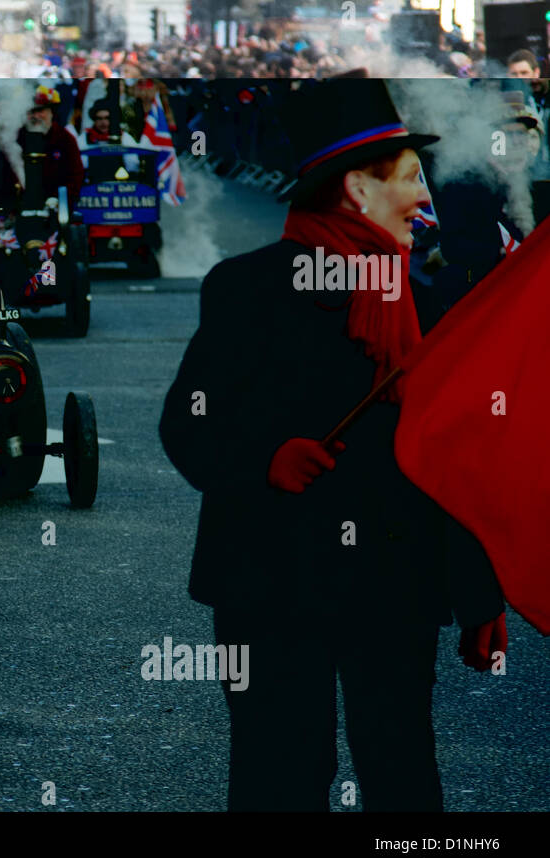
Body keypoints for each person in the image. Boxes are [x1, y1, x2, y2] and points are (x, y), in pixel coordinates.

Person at [159, 78, 507, 812]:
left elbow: (452, 455)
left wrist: (480, 599)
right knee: (277, 773)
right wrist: (263, 462)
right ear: (357, 188)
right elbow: (187, 422)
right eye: (411, 179)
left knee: (403, 773)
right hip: (270, 582)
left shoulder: (432, 301)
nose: (425, 199)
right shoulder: (245, 289)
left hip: (394, 582)